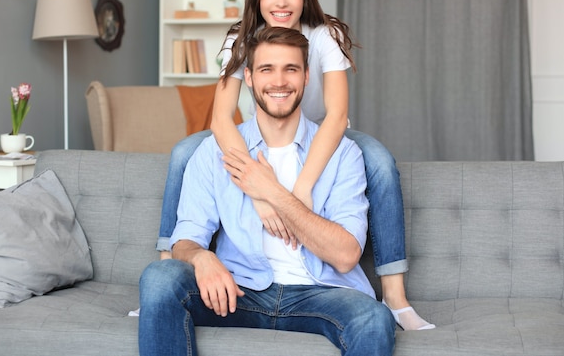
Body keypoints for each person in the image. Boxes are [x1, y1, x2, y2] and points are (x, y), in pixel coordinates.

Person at [157, 0, 434, 331]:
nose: (281, 2)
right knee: (185, 152)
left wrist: (300, 190)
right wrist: (259, 191)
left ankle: (395, 295)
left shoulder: (324, 36)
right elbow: (221, 117)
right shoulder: (241, 37)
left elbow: (336, 115)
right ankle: (166, 266)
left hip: (322, 129)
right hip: (263, 127)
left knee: (381, 161)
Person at [139, 27, 395, 356]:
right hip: (241, 292)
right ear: (248, 77)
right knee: (160, 278)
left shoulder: (343, 154)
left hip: (322, 294)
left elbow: (346, 256)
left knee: (374, 318)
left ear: (306, 77)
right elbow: (187, 238)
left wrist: (272, 191)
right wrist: (201, 257)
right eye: (266, 69)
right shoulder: (213, 152)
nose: (279, 81)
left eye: (291, 69)